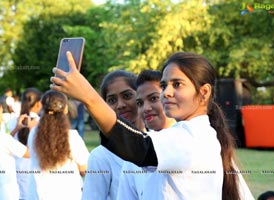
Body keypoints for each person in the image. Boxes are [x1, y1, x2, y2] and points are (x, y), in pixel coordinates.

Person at [51, 51, 248, 199]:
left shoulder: (194, 137)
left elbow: (138, 147)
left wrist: (89, 97)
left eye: (177, 84)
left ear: (204, 92)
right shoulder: (174, 138)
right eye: (164, 86)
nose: (167, 93)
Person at [81, 70, 145, 200]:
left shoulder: (159, 143)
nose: (120, 105)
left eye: (127, 96)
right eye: (112, 100)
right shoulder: (101, 157)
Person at [117, 69, 176, 199]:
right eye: (140, 103)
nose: (146, 108)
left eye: (154, 98)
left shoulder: (192, 141)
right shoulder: (135, 155)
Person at [27, 90, 89, 200]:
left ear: (42, 106)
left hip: (37, 194)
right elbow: (84, 168)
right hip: (68, 195)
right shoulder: (72, 137)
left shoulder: (33, 134)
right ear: (65, 109)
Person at [7, 87, 42, 200]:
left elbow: (5, 142)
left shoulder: (13, 121)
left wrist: (16, 128)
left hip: (15, 169)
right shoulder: (42, 123)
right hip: (35, 168)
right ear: (38, 104)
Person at [0, 102, 30, 200]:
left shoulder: (4, 139)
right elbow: (29, 153)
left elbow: (6, 144)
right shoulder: (4, 139)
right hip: (6, 193)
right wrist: (32, 129)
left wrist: (17, 128)